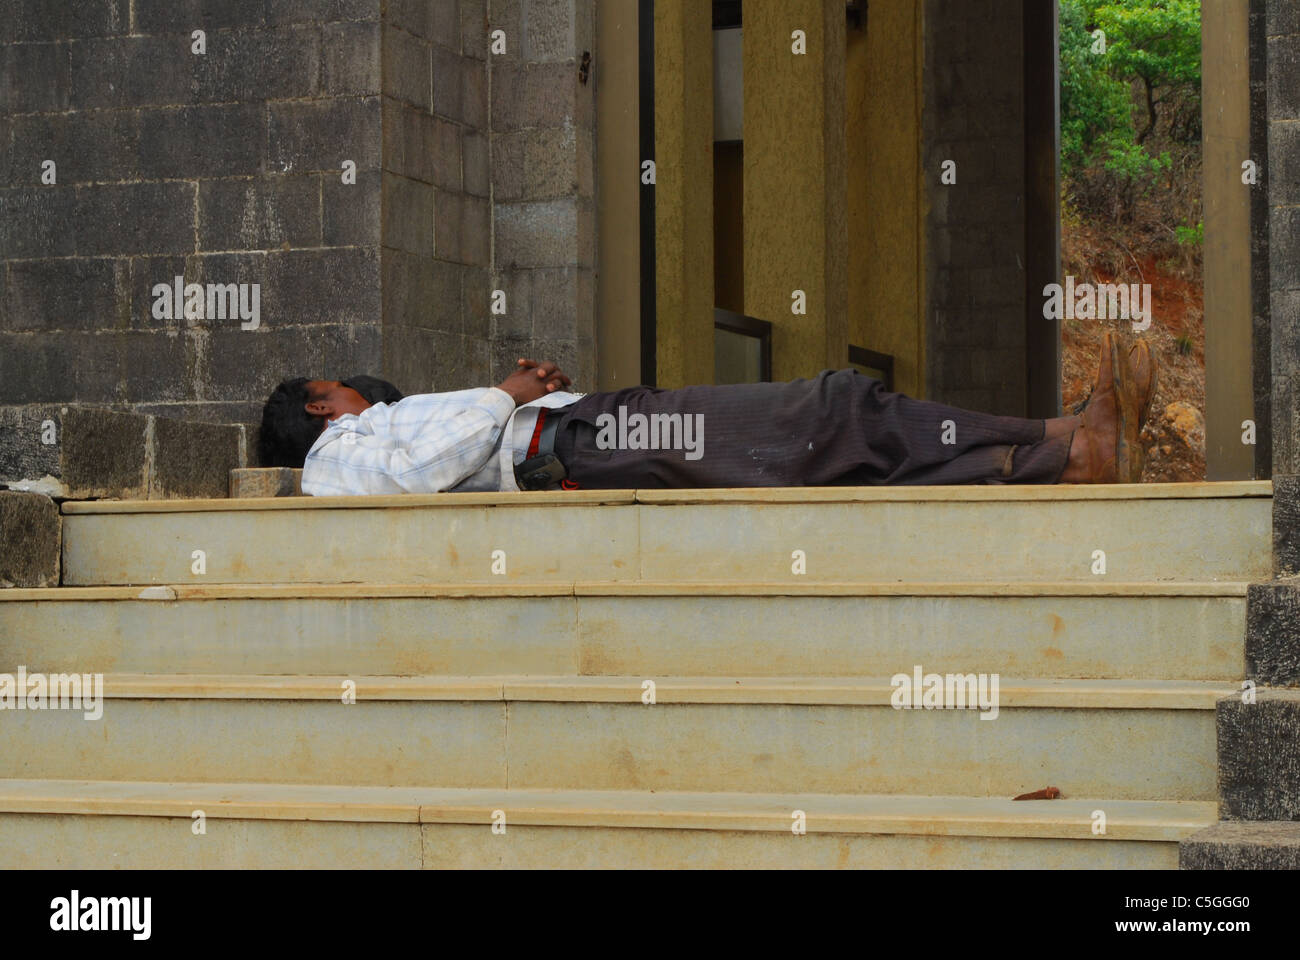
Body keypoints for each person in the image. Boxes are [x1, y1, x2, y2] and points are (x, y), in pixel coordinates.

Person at [257, 332, 1156, 496]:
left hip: (592, 427)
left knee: (834, 431)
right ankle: (1063, 442)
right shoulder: (335, 456)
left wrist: (524, 393)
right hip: (583, 449)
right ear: (317, 409)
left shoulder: (366, 426)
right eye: (340, 390)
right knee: (830, 411)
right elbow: (420, 475)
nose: (360, 392)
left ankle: (1066, 446)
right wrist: (508, 395)